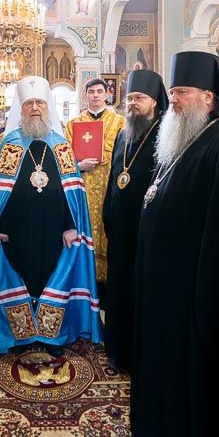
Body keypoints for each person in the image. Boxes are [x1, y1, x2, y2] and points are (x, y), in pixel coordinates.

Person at [131, 51, 219, 437]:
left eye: (182, 92)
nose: (174, 100)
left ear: (209, 97)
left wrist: (203, 296)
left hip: (191, 293)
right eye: (173, 92)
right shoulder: (180, 139)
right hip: (163, 286)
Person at [0, 75, 102, 358]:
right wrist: (0, 225)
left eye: (40, 103)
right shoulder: (9, 143)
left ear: (47, 107)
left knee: (51, 274)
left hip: (55, 230)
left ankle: (53, 334)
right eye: (29, 104)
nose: (35, 108)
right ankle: (22, 335)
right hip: (16, 230)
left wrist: (71, 226)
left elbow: (72, 192)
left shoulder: (61, 145)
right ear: (21, 108)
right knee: (22, 274)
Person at [102, 69, 167, 371]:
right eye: (129, 98)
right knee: (118, 288)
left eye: (139, 98)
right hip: (120, 227)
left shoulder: (165, 135)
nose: (132, 104)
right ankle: (117, 348)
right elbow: (115, 176)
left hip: (146, 228)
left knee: (140, 290)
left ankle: (138, 353)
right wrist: (108, 212)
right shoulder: (123, 133)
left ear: (154, 101)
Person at [65, 78, 126, 285]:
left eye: (100, 91)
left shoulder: (120, 122)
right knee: (85, 227)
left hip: (111, 185)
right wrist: (79, 165)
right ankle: (84, 279)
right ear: (85, 95)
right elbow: (63, 158)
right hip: (82, 186)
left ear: (107, 94)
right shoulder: (73, 124)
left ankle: (108, 282)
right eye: (91, 92)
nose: (96, 95)